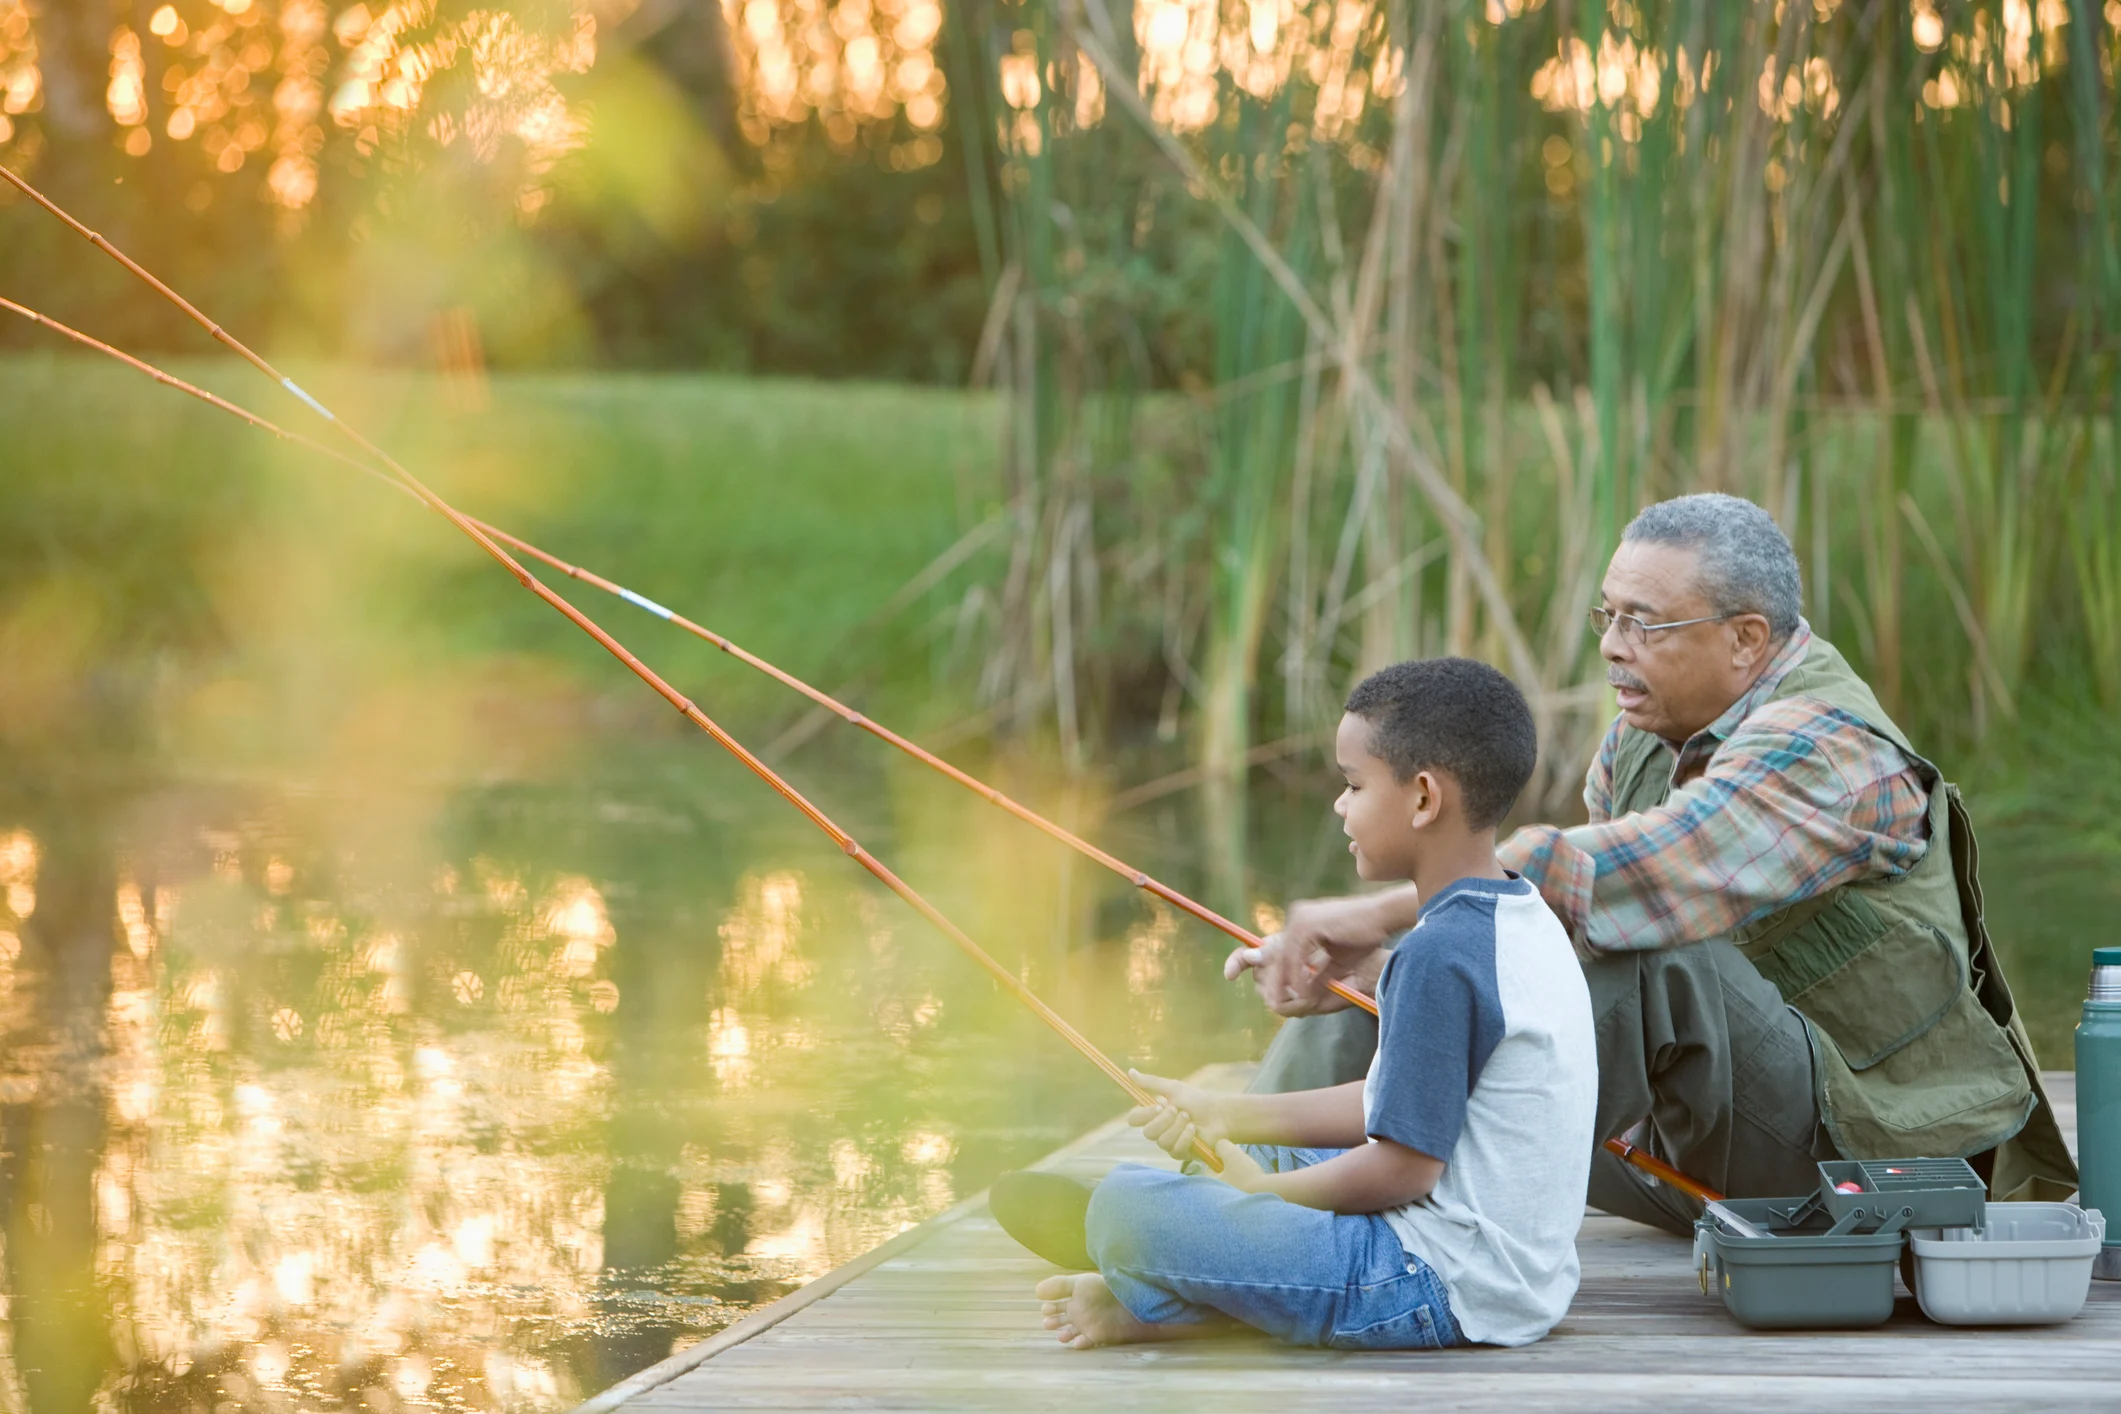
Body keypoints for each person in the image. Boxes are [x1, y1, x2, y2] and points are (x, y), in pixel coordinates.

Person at [1232, 493, 2075, 1234]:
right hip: (1681, 1154)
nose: (1612, 647)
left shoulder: (1826, 746)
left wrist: (1378, 911)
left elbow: (1638, 878)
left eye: (1645, 623)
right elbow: (1540, 955)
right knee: (1403, 978)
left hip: (1857, 1160)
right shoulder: (1635, 740)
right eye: (1607, 616)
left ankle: (1319, 1216)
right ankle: (1220, 1189)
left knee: (1646, 958)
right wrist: (1391, 969)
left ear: (1746, 639)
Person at [997, 658, 1596, 1351]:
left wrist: (1255, 1200)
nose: (1339, 806)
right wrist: (1222, 1113)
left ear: (1424, 798)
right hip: (1510, 1274)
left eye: (1352, 785)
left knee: (1131, 1209)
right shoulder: (1513, 914)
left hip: (1435, 1283)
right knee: (1243, 1149)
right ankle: (1178, 1275)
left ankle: (1149, 1272)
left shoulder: (1438, 956)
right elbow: (1387, 1103)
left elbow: (1402, 1168)